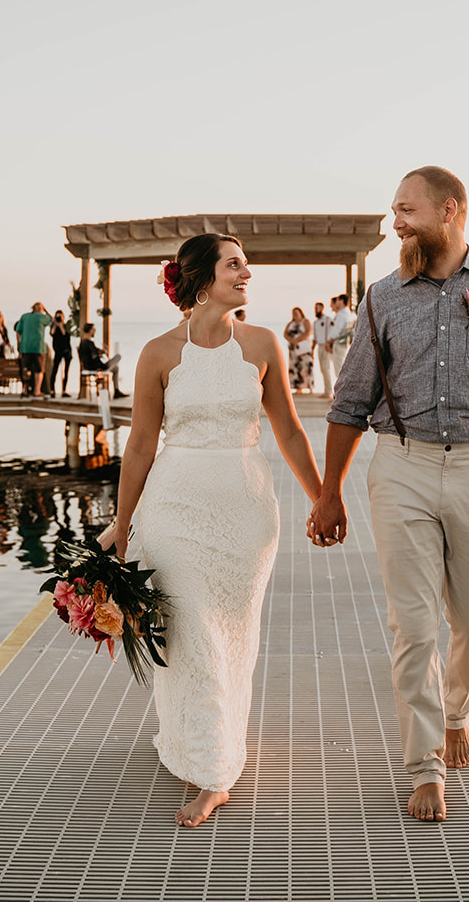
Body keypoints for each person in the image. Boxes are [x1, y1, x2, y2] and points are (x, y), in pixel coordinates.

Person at [309, 165, 469, 824]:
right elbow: (349, 401)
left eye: (406, 210)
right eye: (395, 211)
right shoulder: (382, 298)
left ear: (450, 211)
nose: (397, 222)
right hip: (402, 469)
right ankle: (426, 768)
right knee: (414, 625)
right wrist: (328, 492)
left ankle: (458, 714)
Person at [110, 233, 322, 827]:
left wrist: (324, 498)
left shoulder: (262, 344)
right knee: (193, 632)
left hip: (246, 513)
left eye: (247, 265)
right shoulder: (157, 353)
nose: (246, 274)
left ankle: (205, 747)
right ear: (202, 279)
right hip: (174, 509)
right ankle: (211, 769)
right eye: (235, 265)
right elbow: (140, 447)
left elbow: (288, 430)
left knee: (232, 637)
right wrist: (122, 527)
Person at [14, 301, 50, 397]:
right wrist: (46, 311)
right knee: (39, 370)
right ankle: (37, 390)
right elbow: (51, 320)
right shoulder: (41, 317)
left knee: (26, 369)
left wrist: (19, 345)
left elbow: (18, 331)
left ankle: (25, 390)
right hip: (38, 347)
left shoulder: (24, 317)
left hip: (25, 347)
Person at [77, 323, 123, 398]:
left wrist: (101, 352)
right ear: (90, 330)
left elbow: (93, 354)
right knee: (118, 356)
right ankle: (105, 373)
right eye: (93, 330)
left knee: (116, 368)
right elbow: (94, 357)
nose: (94, 331)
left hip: (90, 366)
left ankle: (116, 391)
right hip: (97, 367)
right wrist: (102, 355)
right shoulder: (89, 343)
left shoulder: (83, 343)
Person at [283, 307, 313, 393]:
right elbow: (285, 334)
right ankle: (298, 387)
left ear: (301, 313)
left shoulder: (305, 321)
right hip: (293, 349)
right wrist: (292, 341)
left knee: (306, 366)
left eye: (296, 313)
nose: (295, 315)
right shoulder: (291, 323)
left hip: (303, 348)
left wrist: (298, 340)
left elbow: (308, 332)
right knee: (295, 367)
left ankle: (309, 387)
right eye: (293, 313)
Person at [329, 293, 355, 385]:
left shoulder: (341, 315)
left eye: (338, 300)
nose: (337, 303)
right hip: (345, 343)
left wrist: (330, 342)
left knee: (339, 368)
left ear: (342, 301)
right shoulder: (351, 314)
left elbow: (336, 331)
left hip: (339, 343)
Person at [310, 300, 334, 396]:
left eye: (318, 308)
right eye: (315, 308)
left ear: (322, 308)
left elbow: (333, 333)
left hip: (326, 345)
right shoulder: (315, 322)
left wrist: (330, 344)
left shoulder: (328, 320)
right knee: (322, 369)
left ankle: (328, 391)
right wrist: (312, 350)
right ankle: (326, 390)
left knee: (326, 368)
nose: (316, 310)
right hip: (319, 346)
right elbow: (315, 338)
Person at [49, 310, 73, 397]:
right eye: (57, 317)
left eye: (60, 317)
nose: (59, 318)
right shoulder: (53, 326)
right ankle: (52, 390)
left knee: (66, 371)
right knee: (54, 370)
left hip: (66, 350)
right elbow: (52, 333)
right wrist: (55, 324)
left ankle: (64, 390)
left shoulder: (66, 326)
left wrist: (61, 325)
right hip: (58, 351)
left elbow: (65, 335)